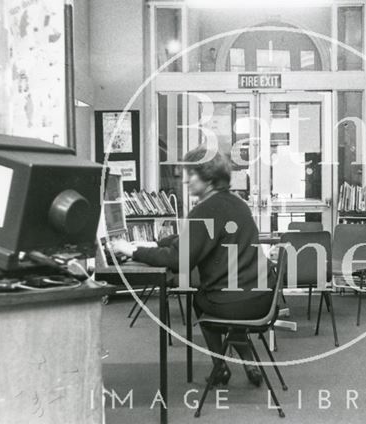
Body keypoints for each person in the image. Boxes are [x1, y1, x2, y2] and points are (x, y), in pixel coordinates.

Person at [110, 146, 275, 387]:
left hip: (237, 305)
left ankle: (221, 367)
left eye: (191, 174)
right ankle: (249, 361)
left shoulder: (204, 209)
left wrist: (132, 250)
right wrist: (153, 243)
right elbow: (192, 237)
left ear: (208, 177)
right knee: (225, 297)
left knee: (201, 299)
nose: (185, 180)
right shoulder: (236, 203)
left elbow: (178, 260)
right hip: (262, 298)